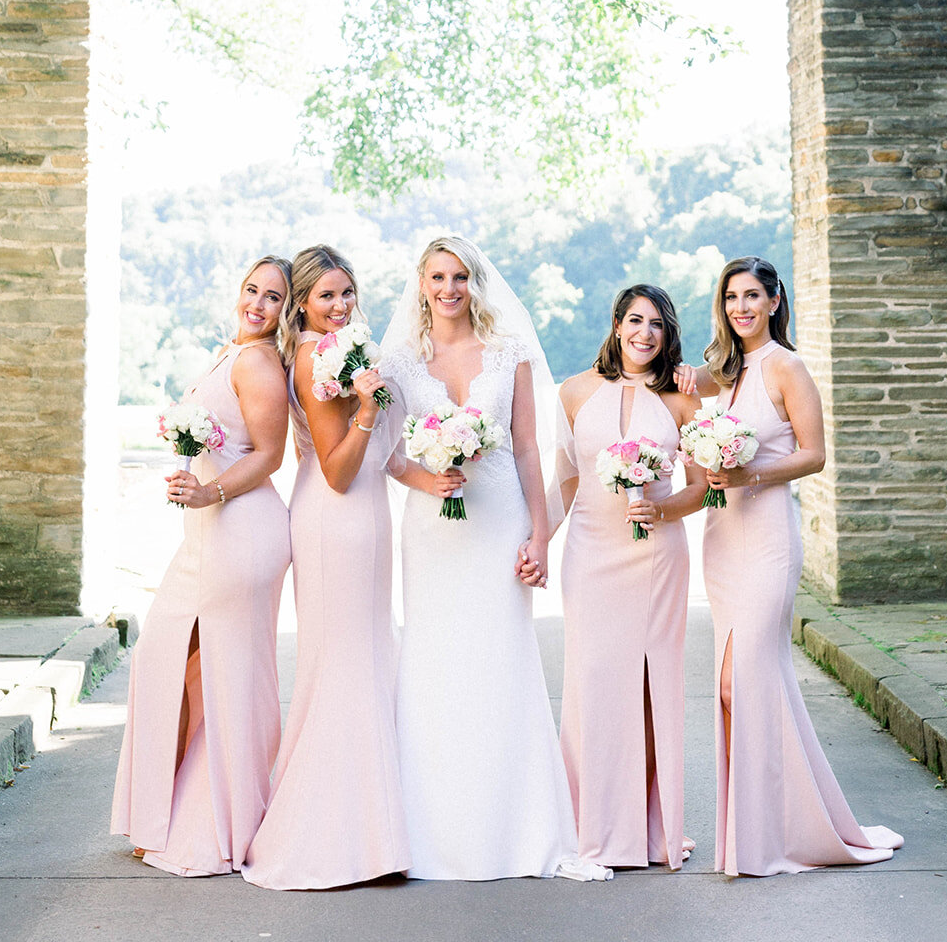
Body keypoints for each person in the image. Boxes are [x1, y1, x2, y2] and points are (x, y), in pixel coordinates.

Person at [382, 235, 603, 882]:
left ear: (477, 284)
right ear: (421, 284)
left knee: (500, 658)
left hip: (500, 517)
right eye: (438, 277)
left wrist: (539, 533)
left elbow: (530, 449)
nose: (449, 289)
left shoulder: (509, 356)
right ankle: (434, 834)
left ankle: (519, 830)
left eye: (460, 277)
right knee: (434, 660)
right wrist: (425, 480)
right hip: (434, 529)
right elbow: (388, 452)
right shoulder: (397, 362)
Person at [676, 256, 903, 877]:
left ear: (775, 301)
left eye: (752, 296)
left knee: (739, 683)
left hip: (768, 538)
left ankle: (776, 831)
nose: (741, 308)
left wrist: (750, 470)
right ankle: (766, 826)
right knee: (745, 685)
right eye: (730, 298)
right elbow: (659, 383)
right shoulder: (722, 372)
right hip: (723, 538)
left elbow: (814, 455)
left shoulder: (786, 367)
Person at [111, 257, 293, 876]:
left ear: (285, 311)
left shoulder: (260, 361)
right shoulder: (232, 352)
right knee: (174, 661)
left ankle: (217, 823)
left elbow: (269, 455)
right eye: (251, 290)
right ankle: (161, 812)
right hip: (207, 535)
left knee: (222, 676)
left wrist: (210, 491)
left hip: (240, 532)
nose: (258, 304)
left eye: (273, 298)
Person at [242, 245, 409, 890]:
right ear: (303, 304)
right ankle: (334, 838)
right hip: (335, 517)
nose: (339, 306)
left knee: (364, 660)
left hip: (366, 517)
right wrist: (367, 406)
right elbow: (338, 470)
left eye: (347, 293)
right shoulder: (316, 355)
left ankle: (371, 833)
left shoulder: (340, 349)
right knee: (342, 666)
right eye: (324, 297)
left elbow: (371, 462)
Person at [552, 283, 708, 870]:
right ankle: (589, 822)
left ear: (667, 336)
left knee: (648, 687)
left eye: (658, 325)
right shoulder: (573, 392)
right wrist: (536, 540)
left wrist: (662, 509)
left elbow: (702, 489)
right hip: (590, 552)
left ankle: (647, 828)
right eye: (635, 320)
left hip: (656, 555)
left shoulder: (681, 402)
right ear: (616, 325)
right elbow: (566, 480)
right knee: (592, 683)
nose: (645, 333)